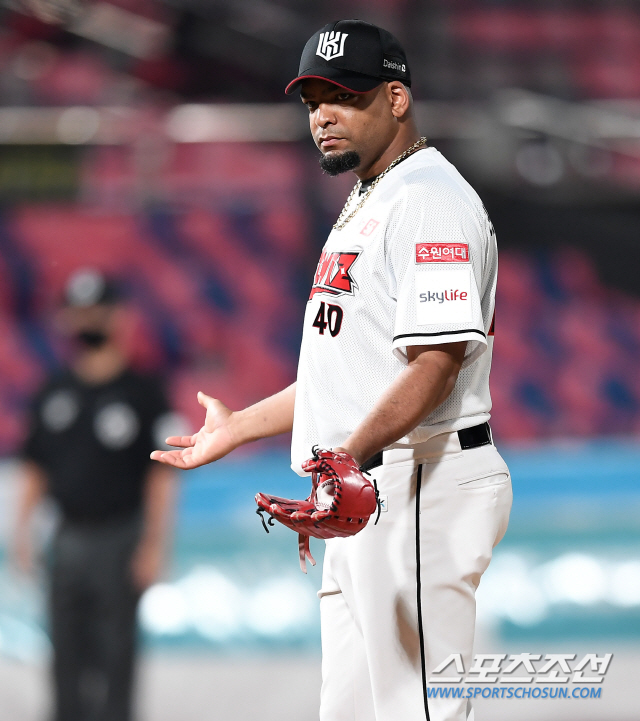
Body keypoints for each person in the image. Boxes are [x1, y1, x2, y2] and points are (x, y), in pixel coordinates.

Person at [152, 19, 512, 721]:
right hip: (372, 484)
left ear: (397, 99)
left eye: (345, 96)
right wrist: (238, 427)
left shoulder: (429, 200)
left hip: (419, 479)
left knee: (418, 710)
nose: (322, 115)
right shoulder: (373, 195)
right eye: (313, 100)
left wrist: (347, 457)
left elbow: (436, 365)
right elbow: (347, 373)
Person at [13, 269, 178, 721]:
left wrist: (154, 544)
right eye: (78, 312)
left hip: (120, 536)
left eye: (96, 311)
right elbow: (35, 466)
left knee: (116, 651)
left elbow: (161, 476)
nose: (86, 321)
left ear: (118, 317)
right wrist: (22, 532)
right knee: (64, 649)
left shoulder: (144, 392)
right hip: (66, 536)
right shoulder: (53, 391)